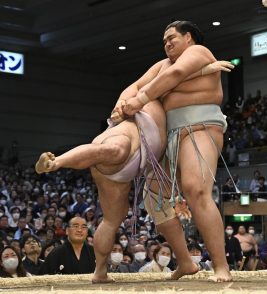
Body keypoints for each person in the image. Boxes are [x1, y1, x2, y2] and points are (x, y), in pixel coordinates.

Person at [35, 57, 233, 282]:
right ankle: (57, 162)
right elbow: (169, 78)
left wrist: (202, 70)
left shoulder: (146, 94)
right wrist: (204, 70)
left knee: (111, 219)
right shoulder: (148, 94)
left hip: (133, 161)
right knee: (110, 151)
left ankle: (100, 271)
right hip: (131, 144)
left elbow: (168, 79)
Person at [120, 20, 233, 281]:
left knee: (195, 188)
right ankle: (185, 262)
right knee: (154, 198)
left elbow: (174, 76)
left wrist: (139, 100)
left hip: (200, 127)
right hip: (170, 134)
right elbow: (136, 85)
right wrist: (121, 104)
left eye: (172, 38)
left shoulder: (198, 52)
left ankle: (221, 266)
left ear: (189, 37)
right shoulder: (162, 66)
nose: (167, 43)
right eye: (164, 41)